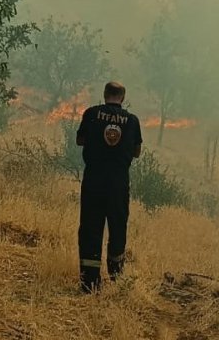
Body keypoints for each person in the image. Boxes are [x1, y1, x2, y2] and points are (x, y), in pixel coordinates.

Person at [76, 81, 143, 293]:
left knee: (90, 228)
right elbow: (137, 151)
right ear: (122, 98)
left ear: (104, 95)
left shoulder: (91, 114)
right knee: (117, 227)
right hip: (118, 183)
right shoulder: (132, 121)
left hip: (93, 180)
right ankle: (117, 277)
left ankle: (90, 282)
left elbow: (80, 140)